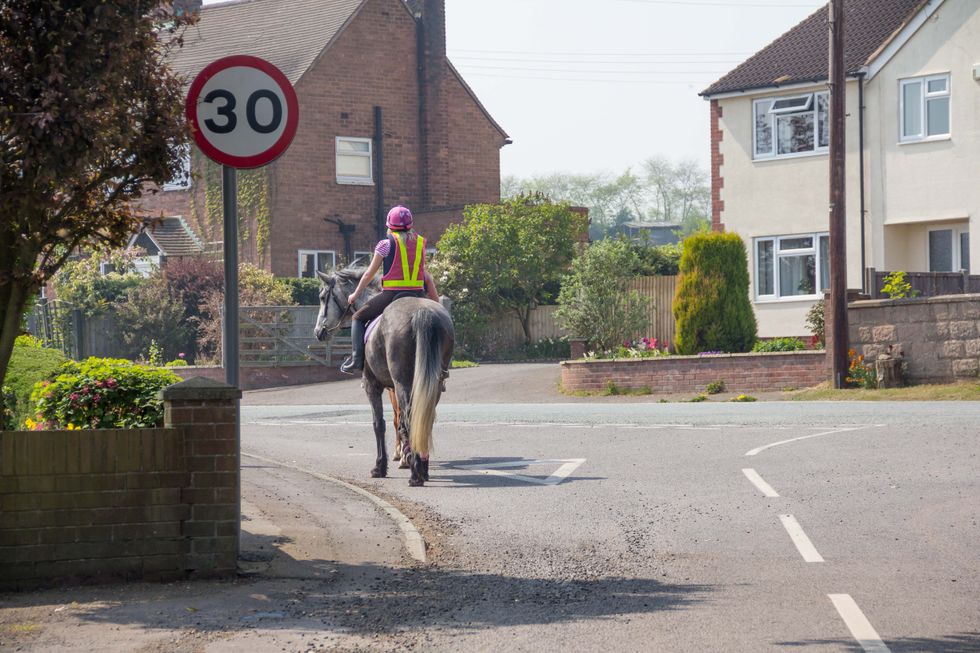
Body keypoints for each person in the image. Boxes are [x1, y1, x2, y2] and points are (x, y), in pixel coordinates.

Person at [340, 205, 440, 374]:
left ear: (389, 225)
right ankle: (441, 366)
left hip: (392, 294)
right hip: (418, 294)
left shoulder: (385, 244)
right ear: (410, 225)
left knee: (357, 317)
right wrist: (436, 302)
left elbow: (368, 275)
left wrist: (355, 294)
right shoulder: (421, 243)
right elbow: (427, 277)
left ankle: (357, 361)